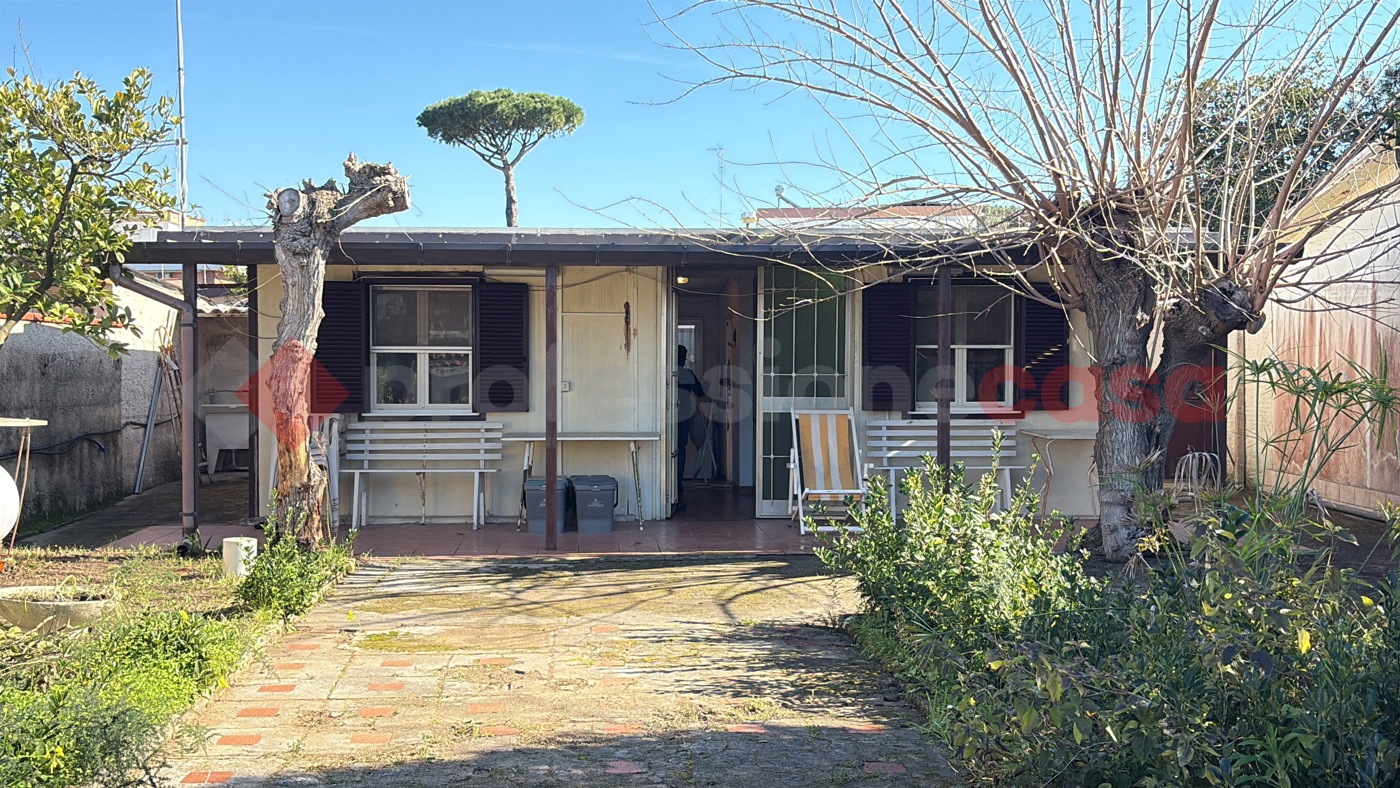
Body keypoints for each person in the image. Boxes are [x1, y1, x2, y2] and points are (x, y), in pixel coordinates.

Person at [675, 344, 706, 510]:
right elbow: (701, 392)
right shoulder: (687, 374)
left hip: (665, 416)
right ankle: (677, 483)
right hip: (684, 415)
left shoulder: (666, 373)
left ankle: (667, 486)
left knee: (667, 450)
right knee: (680, 449)